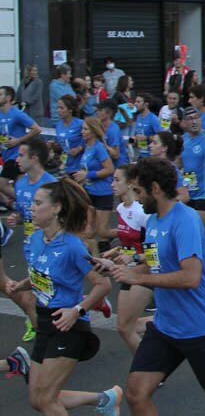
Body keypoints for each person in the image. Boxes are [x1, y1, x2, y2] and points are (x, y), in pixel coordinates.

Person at [104, 158, 205, 415]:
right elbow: (156, 263)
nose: (135, 198)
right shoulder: (152, 221)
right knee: (136, 394)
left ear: (155, 188)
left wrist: (136, 278)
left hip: (199, 328)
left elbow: (190, 277)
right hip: (165, 327)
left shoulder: (184, 220)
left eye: (138, 191)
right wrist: (126, 266)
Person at [3, 178, 121, 415]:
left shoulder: (73, 246)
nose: (32, 208)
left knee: (46, 400)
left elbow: (102, 284)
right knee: (37, 400)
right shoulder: (36, 239)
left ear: (56, 208)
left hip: (69, 326)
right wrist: (21, 285)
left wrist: (77, 310)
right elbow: (42, 275)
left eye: (38, 203)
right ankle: (105, 400)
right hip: (45, 323)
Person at [6, 138, 59, 343]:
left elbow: (64, 215)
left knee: (50, 290)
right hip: (30, 245)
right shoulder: (19, 184)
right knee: (39, 290)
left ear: (34, 158)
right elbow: (22, 214)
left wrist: (47, 226)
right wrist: (16, 219)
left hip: (50, 245)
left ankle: (52, 334)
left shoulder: (50, 184)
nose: (17, 159)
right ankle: (43, 328)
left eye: (21, 155)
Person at [102, 164, 152, 353]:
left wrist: (132, 255)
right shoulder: (121, 208)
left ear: (130, 184)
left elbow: (157, 249)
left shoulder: (142, 212)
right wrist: (115, 251)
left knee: (126, 327)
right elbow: (130, 242)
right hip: (128, 271)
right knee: (123, 327)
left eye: (116, 180)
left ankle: (147, 369)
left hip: (144, 272)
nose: (112, 184)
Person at [72, 117, 116, 254]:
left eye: (85, 129)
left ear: (93, 131)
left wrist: (88, 175)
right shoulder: (87, 147)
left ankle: (132, 231)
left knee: (102, 231)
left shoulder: (99, 148)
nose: (82, 131)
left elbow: (109, 169)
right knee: (88, 230)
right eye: (82, 128)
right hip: (90, 192)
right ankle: (96, 260)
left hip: (103, 193)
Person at [0, 85, 42, 186]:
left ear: (8, 98)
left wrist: (17, 141)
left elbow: (37, 129)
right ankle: (21, 201)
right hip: (6, 155)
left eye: (0, 94)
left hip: (16, 156)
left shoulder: (17, 114)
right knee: (19, 185)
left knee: (2, 185)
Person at [52, 94, 85, 176]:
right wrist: (54, 145)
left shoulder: (80, 124)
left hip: (80, 167)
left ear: (70, 110)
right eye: (57, 108)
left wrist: (79, 148)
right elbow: (62, 146)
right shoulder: (58, 125)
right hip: (66, 166)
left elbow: (93, 139)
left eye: (61, 108)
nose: (58, 111)